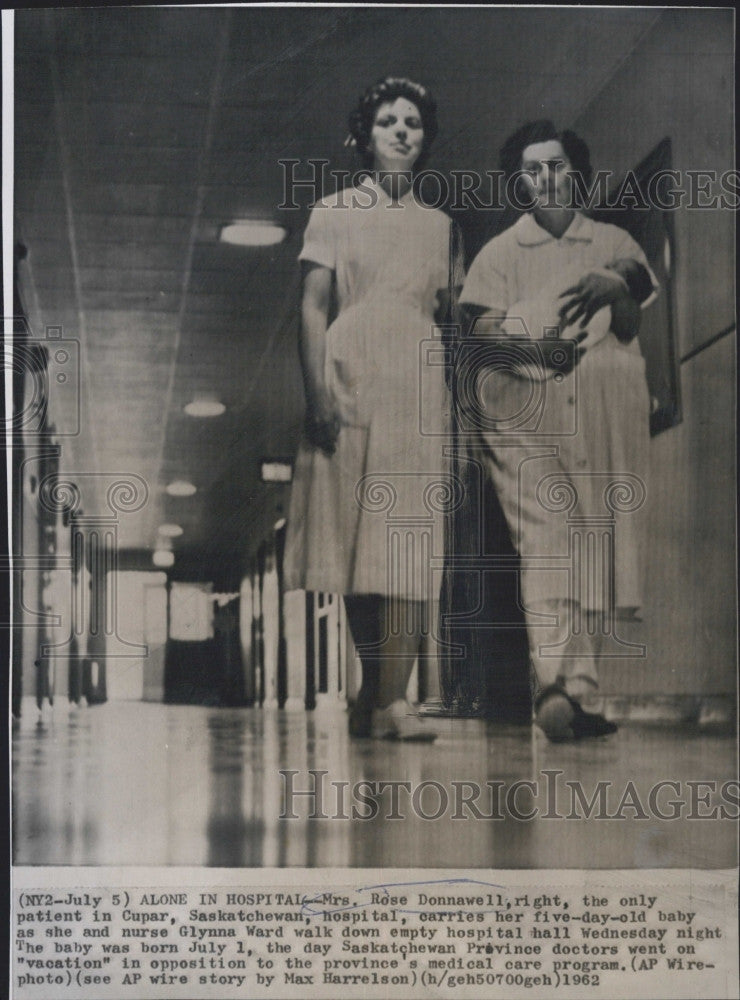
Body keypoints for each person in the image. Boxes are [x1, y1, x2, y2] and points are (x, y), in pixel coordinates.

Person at [459, 120, 658, 742]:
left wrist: (617, 282)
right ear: (521, 181)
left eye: (557, 164)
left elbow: (628, 324)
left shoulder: (613, 239)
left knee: (592, 545)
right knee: (545, 544)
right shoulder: (499, 253)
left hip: (597, 408)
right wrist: (533, 343)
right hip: (523, 411)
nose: (546, 176)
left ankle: (578, 695)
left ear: (577, 170)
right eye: (532, 168)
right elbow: (479, 332)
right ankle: (554, 683)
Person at [283, 77, 460, 740]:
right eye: (388, 119)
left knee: (410, 541)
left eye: (414, 121)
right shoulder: (331, 210)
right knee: (358, 546)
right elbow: (311, 306)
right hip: (350, 373)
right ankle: (374, 686)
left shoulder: (442, 227)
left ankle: (394, 700)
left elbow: (452, 317)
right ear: (365, 135)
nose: (402, 130)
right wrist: (316, 393)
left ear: (424, 139)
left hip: (417, 380)